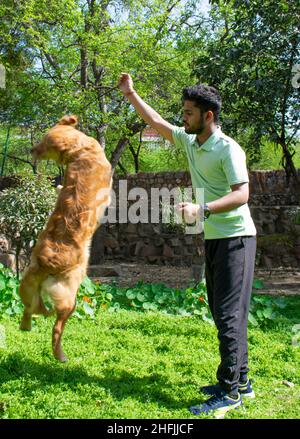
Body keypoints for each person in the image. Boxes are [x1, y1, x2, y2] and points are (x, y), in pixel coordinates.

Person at [118, 73, 257, 417]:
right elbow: (155, 121)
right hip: (215, 237)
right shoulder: (191, 142)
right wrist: (131, 93)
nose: (183, 117)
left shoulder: (228, 148)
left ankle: (230, 392)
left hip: (237, 238)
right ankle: (242, 380)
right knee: (221, 309)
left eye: (189, 112)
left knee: (228, 314)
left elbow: (243, 193)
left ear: (208, 116)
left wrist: (203, 208)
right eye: (184, 111)